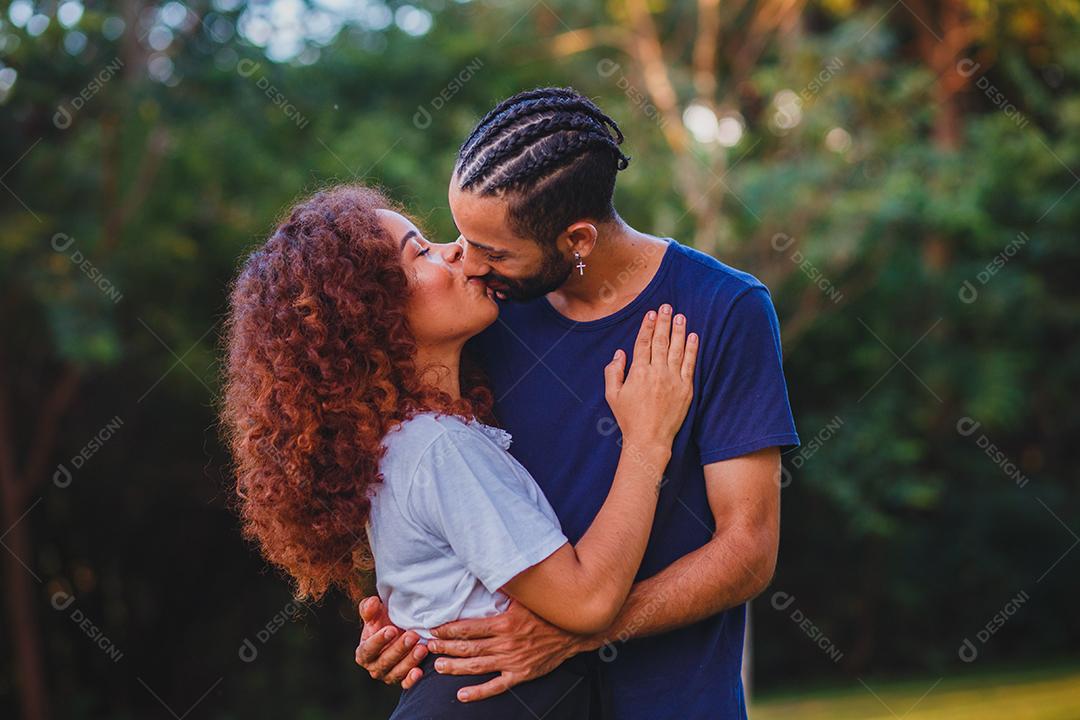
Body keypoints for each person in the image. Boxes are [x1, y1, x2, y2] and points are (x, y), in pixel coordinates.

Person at [355, 87, 801, 720]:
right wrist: (408, 620)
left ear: (578, 239)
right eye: (460, 237)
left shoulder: (724, 309)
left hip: (674, 702)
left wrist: (578, 632)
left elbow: (748, 549)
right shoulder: (483, 317)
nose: (470, 264)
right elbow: (437, 495)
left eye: (495, 252)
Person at [221, 184, 698, 718]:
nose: (454, 250)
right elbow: (587, 601)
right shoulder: (436, 448)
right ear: (372, 316)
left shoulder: (414, 444)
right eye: (420, 252)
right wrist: (648, 440)